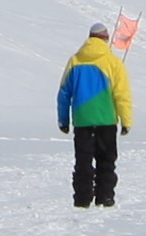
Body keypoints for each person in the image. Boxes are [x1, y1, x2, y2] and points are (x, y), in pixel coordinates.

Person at [56, 22, 133, 206]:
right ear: (106, 38)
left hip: (82, 121)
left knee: (83, 162)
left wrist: (64, 120)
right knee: (106, 160)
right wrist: (126, 120)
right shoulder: (113, 62)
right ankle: (104, 197)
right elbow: (121, 94)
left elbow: (64, 93)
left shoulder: (75, 61)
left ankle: (82, 200)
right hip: (106, 120)